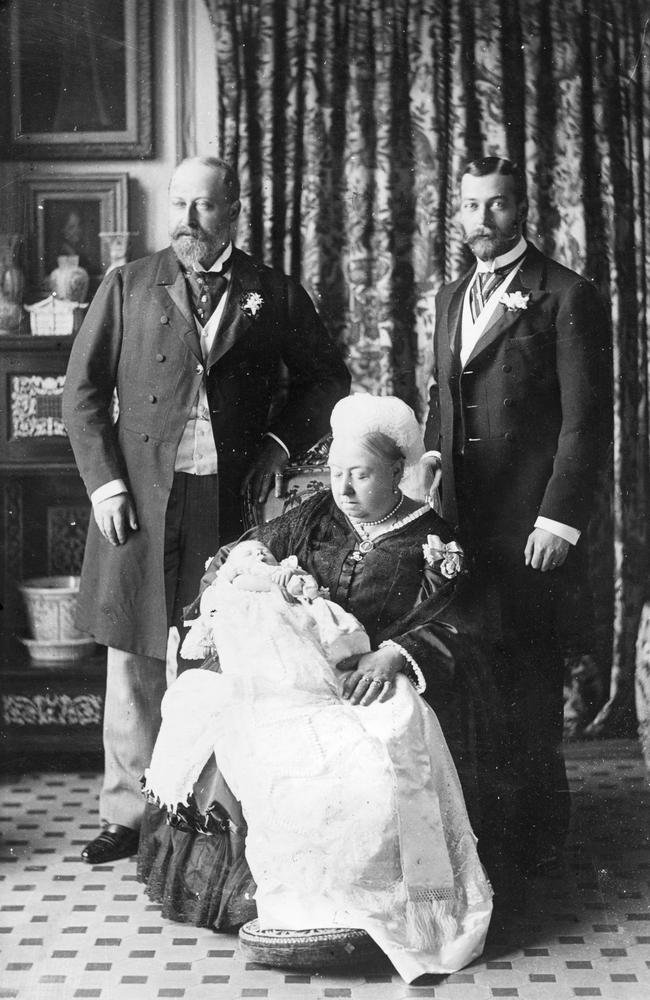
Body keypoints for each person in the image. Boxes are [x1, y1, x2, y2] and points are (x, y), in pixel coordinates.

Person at [137, 394, 506, 979]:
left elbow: (465, 620)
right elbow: (242, 554)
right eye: (337, 474)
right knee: (232, 723)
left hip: (374, 683)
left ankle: (364, 908)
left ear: (396, 472)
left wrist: (394, 653)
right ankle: (283, 899)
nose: (346, 489)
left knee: (362, 765)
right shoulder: (315, 517)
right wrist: (258, 570)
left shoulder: (433, 540)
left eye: (361, 475)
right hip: (298, 680)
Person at [62, 156, 350, 865]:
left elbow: (325, 380)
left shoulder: (273, 294)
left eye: (206, 207)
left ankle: (205, 810)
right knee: (133, 654)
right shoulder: (127, 285)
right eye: (180, 205)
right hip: (140, 496)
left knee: (218, 647)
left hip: (231, 501)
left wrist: (281, 443)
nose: (189, 220)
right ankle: (127, 813)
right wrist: (106, 486)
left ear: (234, 211)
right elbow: (82, 395)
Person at [424, 155, 611, 876]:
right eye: (470, 207)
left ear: (522, 208)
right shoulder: (450, 296)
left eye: (496, 205)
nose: (481, 220)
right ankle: (485, 832)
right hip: (460, 523)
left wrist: (558, 520)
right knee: (473, 671)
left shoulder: (566, 295)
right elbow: (442, 402)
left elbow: (586, 422)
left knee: (531, 676)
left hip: (529, 525)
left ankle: (539, 842)